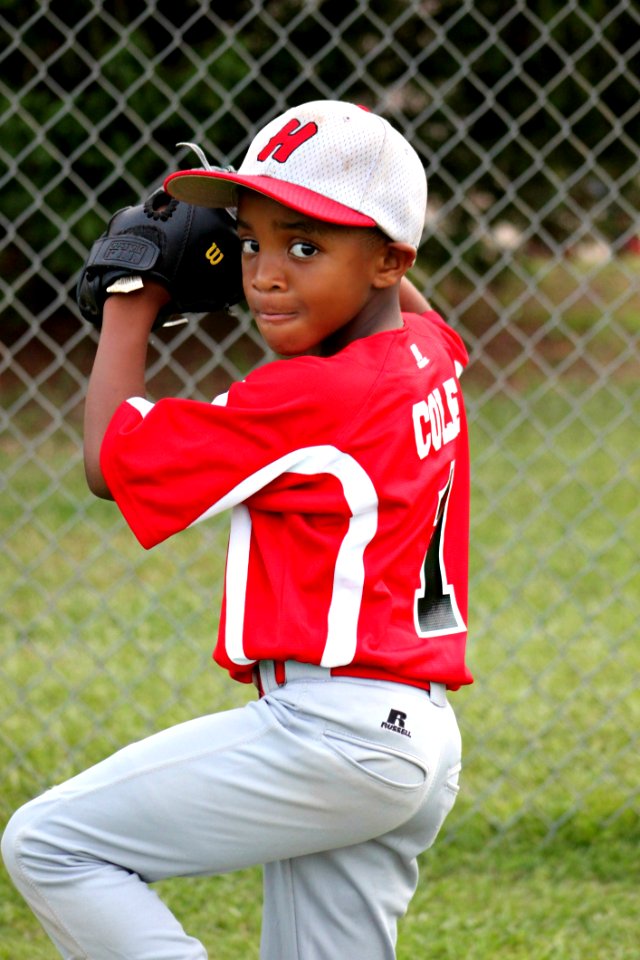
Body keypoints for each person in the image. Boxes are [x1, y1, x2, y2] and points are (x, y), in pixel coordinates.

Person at [2, 100, 473, 960]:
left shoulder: (310, 396)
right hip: (413, 737)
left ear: (388, 259)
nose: (264, 274)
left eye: (305, 245)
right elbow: (416, 305)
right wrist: (307, 234)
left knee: (51, 843)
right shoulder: (426, 354)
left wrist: (129, 299)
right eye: (252, 240)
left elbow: (111, 463)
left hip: (333, 735)